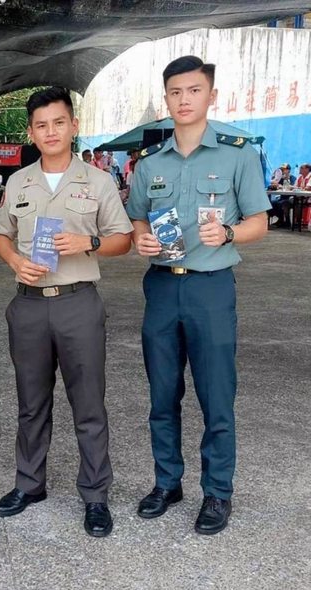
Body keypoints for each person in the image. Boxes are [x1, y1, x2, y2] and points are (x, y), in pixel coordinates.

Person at [127, 56, 269, 535]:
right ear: (165, 98)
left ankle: (217, 491)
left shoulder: (237, 154)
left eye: (193, 90)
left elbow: (259, 222)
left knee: (216, 395)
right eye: (175, 92)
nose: (184, 100)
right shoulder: (150, 163)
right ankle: (167, 483)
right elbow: (138, 217)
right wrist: (142, 239)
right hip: (162, 287)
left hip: (211, 288)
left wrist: (228, 233)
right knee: (162, 394)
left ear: (211, 95)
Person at [0, 87, 133, 538]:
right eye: (41, 125)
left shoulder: (98, 181)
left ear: (73, 126)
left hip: (78, 303)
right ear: (30, 133)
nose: (50, 131)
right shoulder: (18, 182)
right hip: (29, 305)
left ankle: (95, 495)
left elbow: (123, 240)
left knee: (88, 404)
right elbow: (0, 234)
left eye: (58, 122)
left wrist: (87, 242)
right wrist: (15, 261)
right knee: (31, 404)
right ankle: (29, 485)